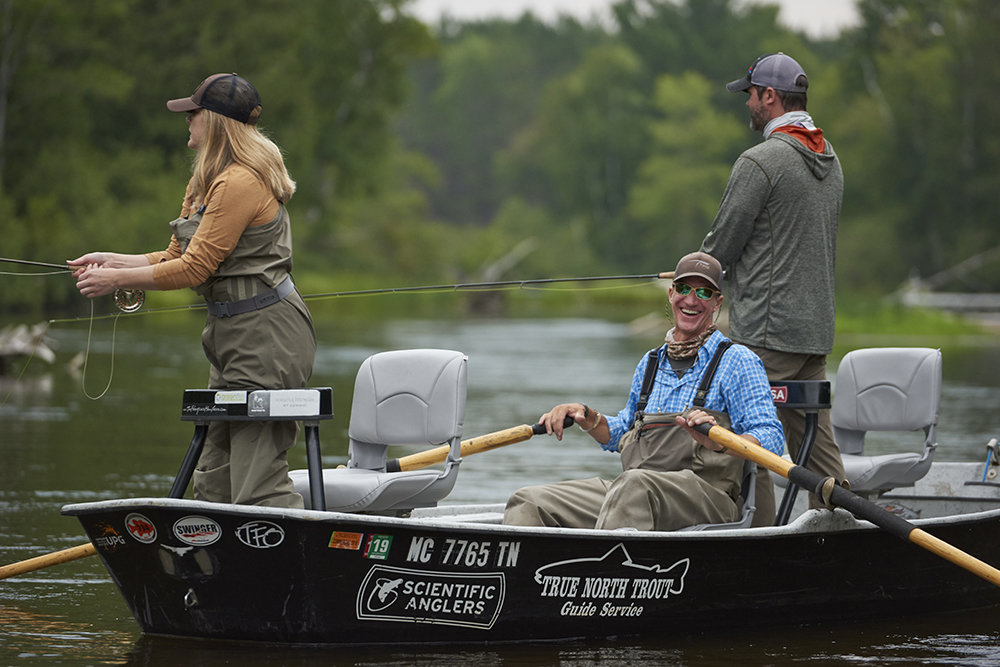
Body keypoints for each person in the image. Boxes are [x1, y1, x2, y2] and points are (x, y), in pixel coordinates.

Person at [69, 73, 315, 509]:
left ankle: (293, 571)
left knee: (257, 481)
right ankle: (217, 572)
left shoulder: (241, 182)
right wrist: (112, 261)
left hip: (266, 336)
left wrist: (116, 281)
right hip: (231, 336)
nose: (187, 120)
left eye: (193, 113)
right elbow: (173, 256)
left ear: (216, 122)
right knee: (215, 479)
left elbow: (195, 268)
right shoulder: (209, 180)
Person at [503, 252, 784, 531]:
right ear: (671, 294)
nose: (691, 299)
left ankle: (606, 574)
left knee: (634, 485)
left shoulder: (738, 361)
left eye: (704, 292)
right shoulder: (650, 363)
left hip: (710, 499)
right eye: (684, 289)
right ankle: (542, 576)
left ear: (717, 302)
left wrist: (720, 442)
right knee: (528, 501)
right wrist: (587, 417)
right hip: (634, 492)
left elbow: (772, 438)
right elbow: (623, 431)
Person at [701, 52, 846, 522]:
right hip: (813, 335)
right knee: (818, 450)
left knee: (743, 439)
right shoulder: (830, 158)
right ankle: (844, 526)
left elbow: (719, 248)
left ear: (770, 97)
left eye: (752, 96)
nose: (747, 105)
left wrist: (691, 272)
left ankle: (757, 537)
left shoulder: (760, 161)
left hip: (765, 335)